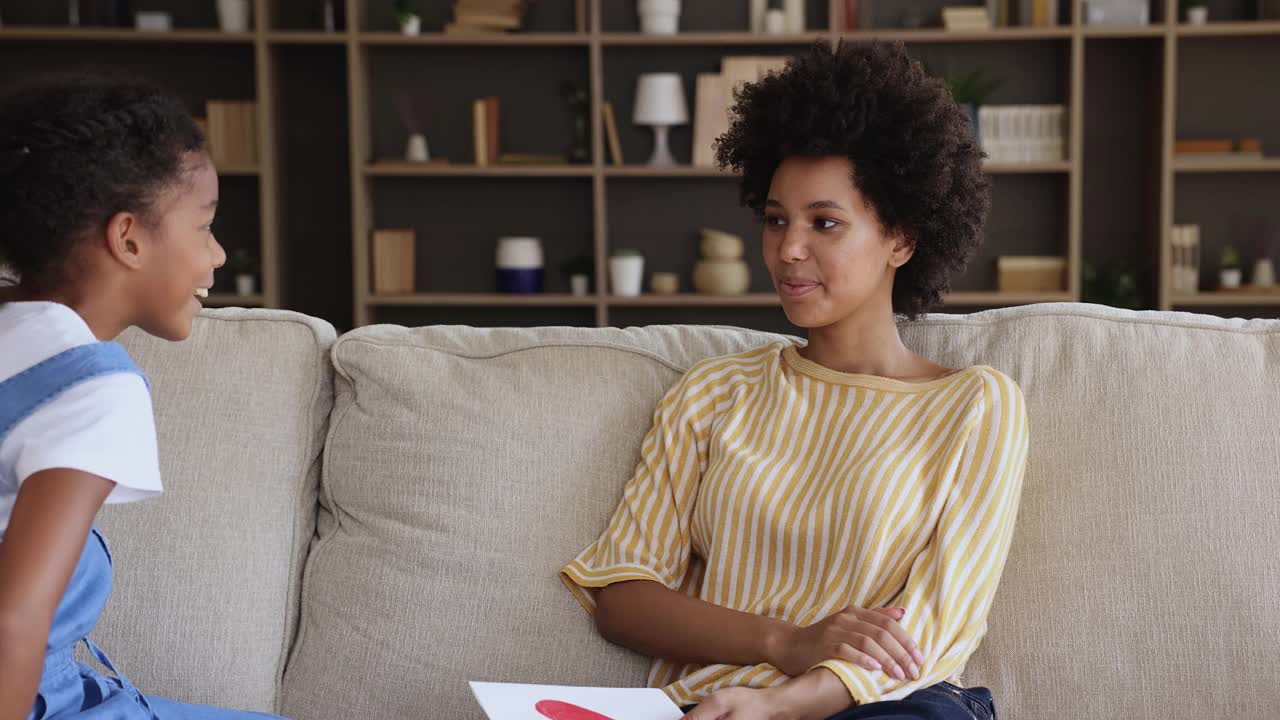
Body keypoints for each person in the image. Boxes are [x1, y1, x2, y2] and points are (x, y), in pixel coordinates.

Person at [561, 41, 1030, 720]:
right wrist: (788, 643)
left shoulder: (974, 406)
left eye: (825, 223)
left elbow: (939, 622)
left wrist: (785, 703)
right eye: (776, 219)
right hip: (714, 708)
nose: (789, 249)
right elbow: (622, 594)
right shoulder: (714, 392)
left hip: (880, 707)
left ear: (901, 237)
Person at [0, 74, 281, 720]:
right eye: (205, 226)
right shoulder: (92, 388)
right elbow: (13, 620)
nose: (217, 255)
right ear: (128, 239)